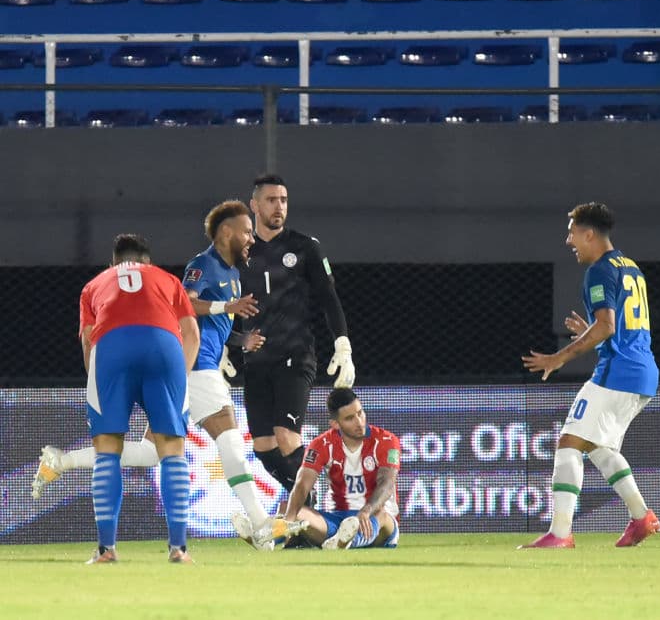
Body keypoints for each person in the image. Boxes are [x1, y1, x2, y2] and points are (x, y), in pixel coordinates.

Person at [34, 202, 298, 549]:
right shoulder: (203, 265)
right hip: (192, 364)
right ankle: (262, 522)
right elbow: (186, 307)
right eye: (247, 231)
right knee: (228, 434)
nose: (252, 237)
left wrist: (237, 341)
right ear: (226, 233)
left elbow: (210, 325)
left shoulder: (233, 275)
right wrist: (223, 310)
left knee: (149, 452)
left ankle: (61, 461)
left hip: (178, 363)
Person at [520, 202, 660, 548]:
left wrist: (558, 358)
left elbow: (607, 327)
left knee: (568, 442)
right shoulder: (630, 267)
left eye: (572, 233)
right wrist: (591, 330)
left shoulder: (599, 270)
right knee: (598, 447)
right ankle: (641, 517)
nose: (569, 241)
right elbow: (620, 328)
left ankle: (560, 533)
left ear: (589, 234)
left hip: (619, 373)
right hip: (642, 373)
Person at [78, 234, 199, 564]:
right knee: (172, 448)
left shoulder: (94, 284)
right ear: (148, 262)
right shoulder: (167, 279)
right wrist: (179, 380)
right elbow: (191, 333)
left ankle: (106, 550)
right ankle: (179, 549)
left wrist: (100, 384)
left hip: (112, 348)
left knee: (107, 448)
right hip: (164, 346)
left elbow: (89, 342)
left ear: (113, 263)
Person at [235, 174, 356, 501]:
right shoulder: (239, 253)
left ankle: (320, 504)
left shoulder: (305, 247)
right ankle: (308, 503)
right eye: (272, 200)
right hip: (257, 361)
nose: (279, 207)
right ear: (255, 205)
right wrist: (224, 346)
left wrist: (341, 343)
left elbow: (330, 299)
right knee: (262, 445)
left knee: (286, 436)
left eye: (284, 200)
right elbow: (227, 305)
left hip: (295, 355)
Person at [235, 387, 400, 550]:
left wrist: (366, 510)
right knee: (289, 509)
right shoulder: (322, 444)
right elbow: (302, 485)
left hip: (377, 521)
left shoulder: (386, 440)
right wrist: (288, 521)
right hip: (335, 521)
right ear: (335, 424)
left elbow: (387, 483)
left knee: (381, 514)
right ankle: (265, 540)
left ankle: (347, 541)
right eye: (350, 418)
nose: (359, 422)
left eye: (360, 413)